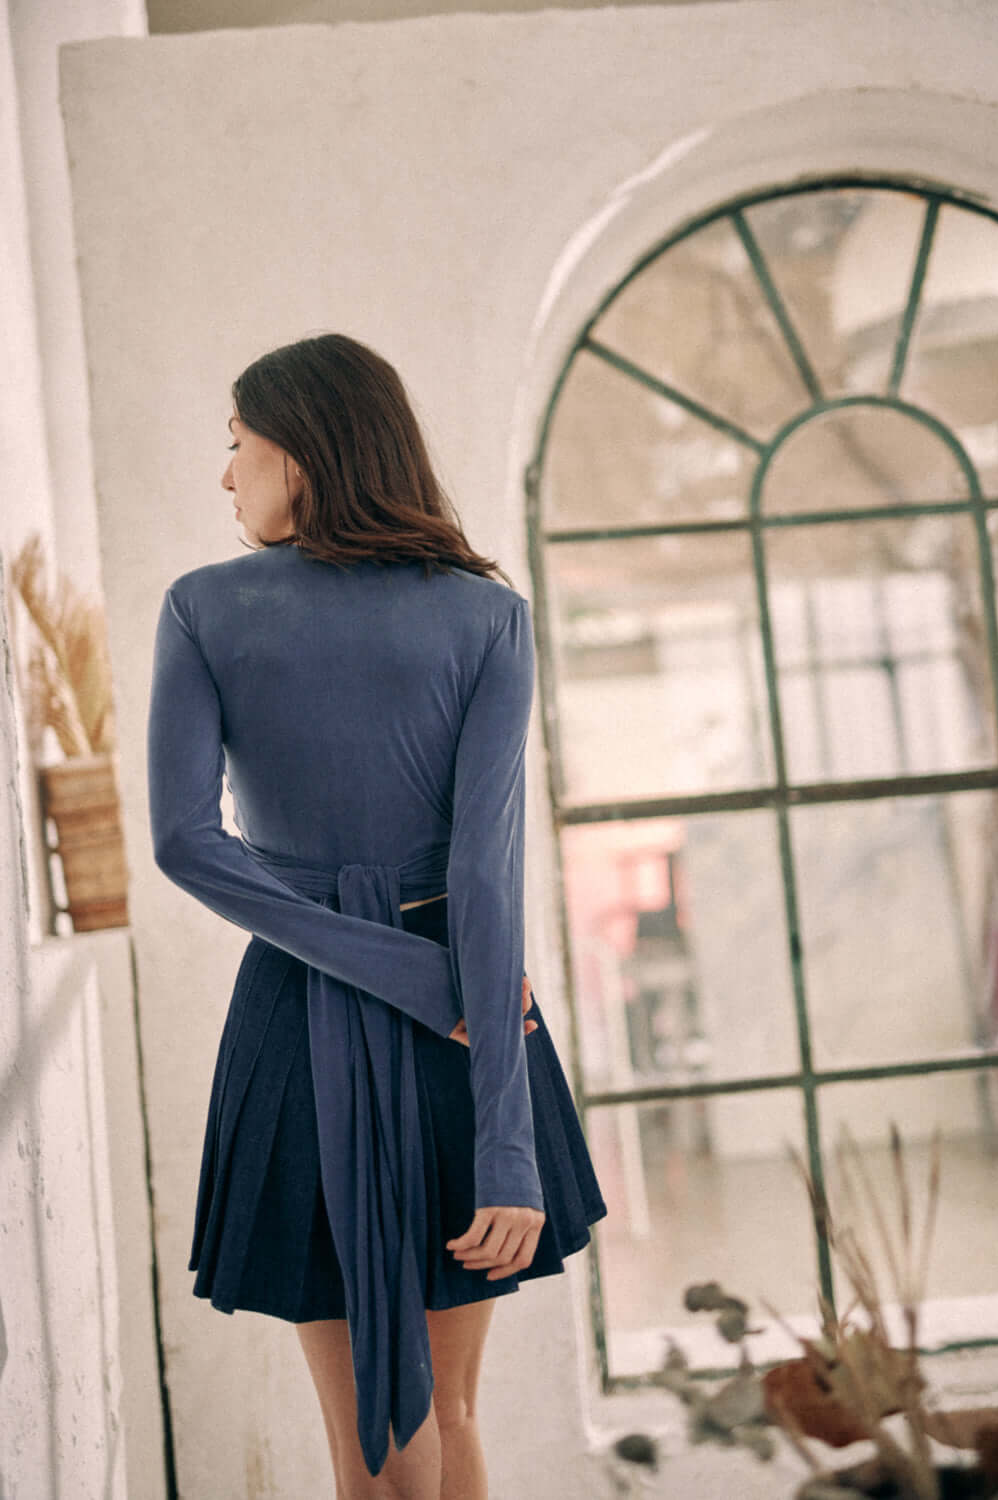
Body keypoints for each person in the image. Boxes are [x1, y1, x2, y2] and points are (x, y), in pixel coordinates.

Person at [146, 333, 608, 1500]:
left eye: (237, 443)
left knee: (375, 1444)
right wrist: (492, 1108)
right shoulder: (484, 615)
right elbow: (488, 878)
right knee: (443, 1416)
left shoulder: (203, 608)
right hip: (472, 1016)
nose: (227, 475)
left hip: (304, 1014)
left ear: (297, 452)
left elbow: (186, 842)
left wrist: (408, 983)